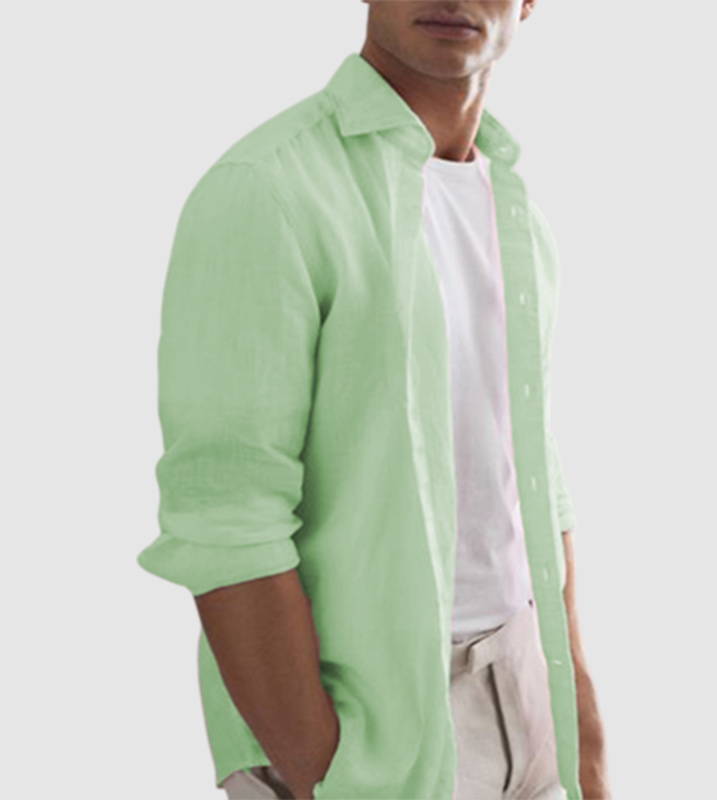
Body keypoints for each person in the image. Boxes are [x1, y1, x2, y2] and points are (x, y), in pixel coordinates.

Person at [137, 1, 611, 798]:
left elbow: (533, 473)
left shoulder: (519, 215)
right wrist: (324, 769)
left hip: (528, 711)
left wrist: (582, 735)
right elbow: (225, 519)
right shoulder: (267, 189)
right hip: (364, 739)